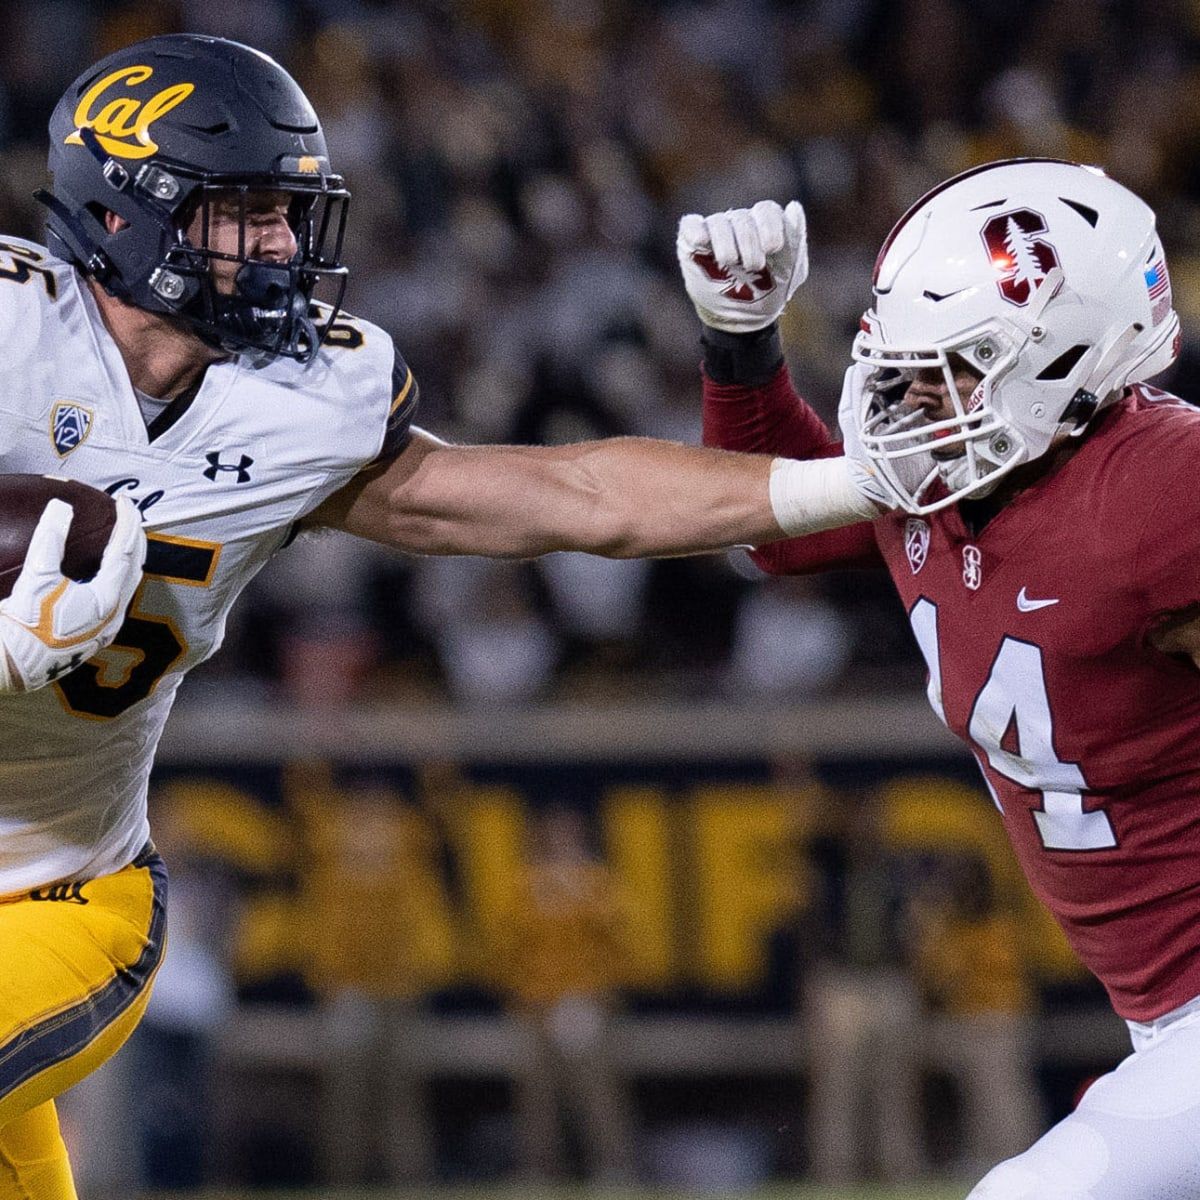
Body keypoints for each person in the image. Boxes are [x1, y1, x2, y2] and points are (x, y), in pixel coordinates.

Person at [0, 34, 893, 1199]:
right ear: (127, 215)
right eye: (247, 211)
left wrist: (860, 481)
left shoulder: (303, 404)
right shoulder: (15, 330)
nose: (282, 244)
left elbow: (576, 496)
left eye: (289, 210)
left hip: (60, 894)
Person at [678, 158, 1200, 1199]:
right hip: (1162, 1019)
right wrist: (740, 347)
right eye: (901, 366)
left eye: (953, 366)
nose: (915, 400)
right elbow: (780, 542)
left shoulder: (1158, 486)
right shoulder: (950, 470)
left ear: (1071, 358)